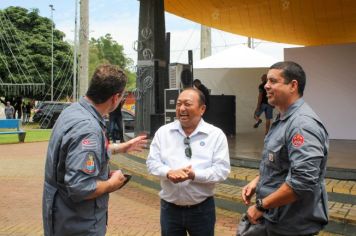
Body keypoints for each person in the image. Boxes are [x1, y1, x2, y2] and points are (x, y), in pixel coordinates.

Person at [42, 64, 147, 236]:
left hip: (62, 219)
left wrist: (119, 148)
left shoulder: (74, 111)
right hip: (79, 224)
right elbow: (80, 186)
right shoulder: (88, 128)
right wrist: (112, 184)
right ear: (115, 98)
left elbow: (72, 153)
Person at [241, 61, 329, 235]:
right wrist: (257, 181)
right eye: (267, 81)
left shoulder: (301, 125)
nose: (266, 85)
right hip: (277, 219)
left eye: (273, 81)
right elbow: (281, 163)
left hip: (290, 225)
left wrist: (261, 205)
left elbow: (303, 181)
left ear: (293, 85)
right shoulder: (283, 119)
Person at [147, 88, 230, 236]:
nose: (182, 108)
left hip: (202, 210)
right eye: (179, 104)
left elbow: (221, 170)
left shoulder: (215, 135)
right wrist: (168, 172)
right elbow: (152, 163)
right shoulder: (163, 133)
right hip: (169, 210)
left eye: (187, 104)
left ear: (202, 109)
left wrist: (194, 175)